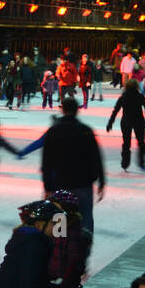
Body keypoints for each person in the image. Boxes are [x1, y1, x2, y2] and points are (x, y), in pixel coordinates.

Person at [21, 96, 106, 235]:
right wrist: (101, 181)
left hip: (60, 182)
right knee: (85, 217)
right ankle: (84, 246)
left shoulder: (54, 131)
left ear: (63, 110)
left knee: (59, 217)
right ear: (77, 111)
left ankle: (59, 248)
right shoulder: (85, 130)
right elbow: (96, 157)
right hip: (83, 182)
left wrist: (47, 187)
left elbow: (47, 161)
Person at [106, 79, 145, 172]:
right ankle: (141, 162)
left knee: (126, 143)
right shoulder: (139, 96)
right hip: (138, 121)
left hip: (126, 121)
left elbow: (116, 110)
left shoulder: (123, 97)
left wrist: (110, 123)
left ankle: (125, 163)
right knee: (141, 142)